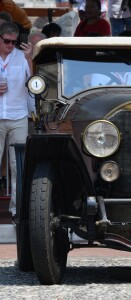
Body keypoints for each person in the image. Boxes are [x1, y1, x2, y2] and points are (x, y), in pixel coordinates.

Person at [0, 22, 33, 219]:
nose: (11, 45)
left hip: (18, 116)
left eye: (14, 42)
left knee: (18, 165)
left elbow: (35, 83)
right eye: (7, 41)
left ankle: (17, 209)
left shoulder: (22, 58)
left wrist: (30, 59)